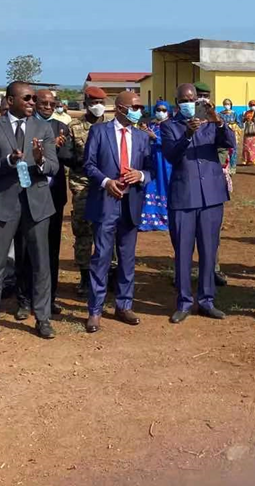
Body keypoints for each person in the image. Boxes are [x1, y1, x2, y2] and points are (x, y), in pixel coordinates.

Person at [0, 81, 59, 346]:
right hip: (3, 204)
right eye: (28, 98)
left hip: (37, 204)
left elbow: (54, 166)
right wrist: (9, 161)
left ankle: (43, 318)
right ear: (10, 100)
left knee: (41, 263)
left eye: (34, 98)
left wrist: (41, 160)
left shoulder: (43, 128)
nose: (33, 102)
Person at [161, 84, 237, 323]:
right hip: (184, 197)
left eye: (193, 99)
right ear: (177, 102)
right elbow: (171, 155)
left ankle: (206, 300)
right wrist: (187, 134)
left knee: (209, 250)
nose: (189, 103)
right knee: (183, 252)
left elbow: (230, 142)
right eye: (184, 99)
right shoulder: (168, 126)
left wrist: (218, 120)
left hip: (211, 197)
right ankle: (184, 302)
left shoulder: (210, 124)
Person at [82, 92, 153, 333]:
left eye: (140, 107)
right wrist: (105, 182)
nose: (139, 111)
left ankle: (124, 305)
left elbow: (150, 169)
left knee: (127, 257)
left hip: (131, 203)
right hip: (106, 202)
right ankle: (95, 310)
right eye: (136, 106)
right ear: (121, 108)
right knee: (101, 256)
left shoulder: (142, 137)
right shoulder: (99, 132)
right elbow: (89, 164)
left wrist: (140, 175)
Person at [15, 90, 74, 319]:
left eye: (52, 103)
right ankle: (24, 299)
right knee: (24, 248)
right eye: (43, 103)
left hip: (53, 196)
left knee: (51, 249)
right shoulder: (25, 125)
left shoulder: (62, 127)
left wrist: (54, 149)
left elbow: (68, 157)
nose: (48, 107)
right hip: (28, 195)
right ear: (35, 103)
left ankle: (49, 298)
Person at [68, 87, 111, 296]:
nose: (98, 106)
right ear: (86, 104)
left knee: (109, 230)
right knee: (83, 231)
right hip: (83, 185)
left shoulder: (112, 125)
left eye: (101, 102)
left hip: (108, 185)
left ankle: (109, 274)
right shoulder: (74, 126)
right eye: (94, 102)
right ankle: (85, 277)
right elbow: (67, 156)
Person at [138, 101, 172, 231]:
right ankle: (149, 220)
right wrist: (143, 133)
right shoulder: (151, 125)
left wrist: (155, 137)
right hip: (151, 160)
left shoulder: (171, 126)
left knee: (165, 185)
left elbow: (172, 142)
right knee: (150, 185)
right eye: (158, 109)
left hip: (165, 161)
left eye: (164, 110)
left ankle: (166, 219)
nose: (160, 112)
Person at [217, 98, 242, 175]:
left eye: (228, 104)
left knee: (233, 150)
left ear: (231, 105)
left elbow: (239, 123)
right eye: (225, 104)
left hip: (233, 132)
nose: (227, 105)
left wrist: (235, 127)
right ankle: (225, 167)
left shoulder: (234, 114)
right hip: (224, 132)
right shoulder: (220, 114)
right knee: (224, 149)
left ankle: (232, 167)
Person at [240, 100, 255, 166]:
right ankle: (245, 160)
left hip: (254, 132)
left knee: (254, 147)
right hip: (247, 132)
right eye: (251, 105)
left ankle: (253, 160)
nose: (252, 106)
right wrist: (245, 119)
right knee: (246, 147)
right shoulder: (247, 113)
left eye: (254, 105)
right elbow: (243, 120)